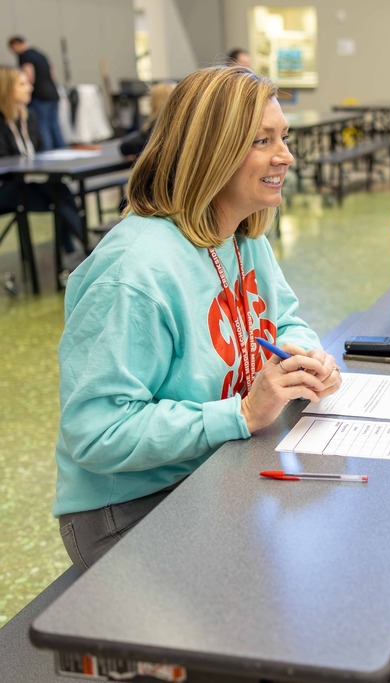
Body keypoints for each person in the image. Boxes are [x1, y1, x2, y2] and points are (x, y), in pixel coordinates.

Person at [54, 65, 341, 570]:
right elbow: (96, 432)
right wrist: (242, 414)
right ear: (212, 152)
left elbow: (285, 320)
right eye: (262, 141)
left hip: (212, 470)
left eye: (284, 138)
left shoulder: (242, 235)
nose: (286, 156)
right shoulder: (134, 270)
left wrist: (303, 357)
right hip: (130, 509)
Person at [0, 65, 85, 263]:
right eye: (22, 84)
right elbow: (5, 164)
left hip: (28, 185)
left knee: (59, 192)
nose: (30, 88)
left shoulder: (29, 116)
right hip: (7, 188)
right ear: (6, 89)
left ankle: (75, 253)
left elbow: (38, 152)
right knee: (59, 194)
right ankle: (83, 249)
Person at [7, 35, 65, 150]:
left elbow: (29, 74)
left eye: (13, 49)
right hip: (52, 93)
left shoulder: (25, 56)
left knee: (42, 126)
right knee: (54, 124)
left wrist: (28, 87)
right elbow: (52, 73)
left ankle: (47, 154)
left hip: (40, 96)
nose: (13, 52)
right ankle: (62, 151)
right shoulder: (40, 54)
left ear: (17, 45)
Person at [118, 81, 175, 158]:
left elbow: (141, 142)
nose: (149, 101)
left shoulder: (158, 122)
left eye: (150, 98)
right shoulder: (171, 120)